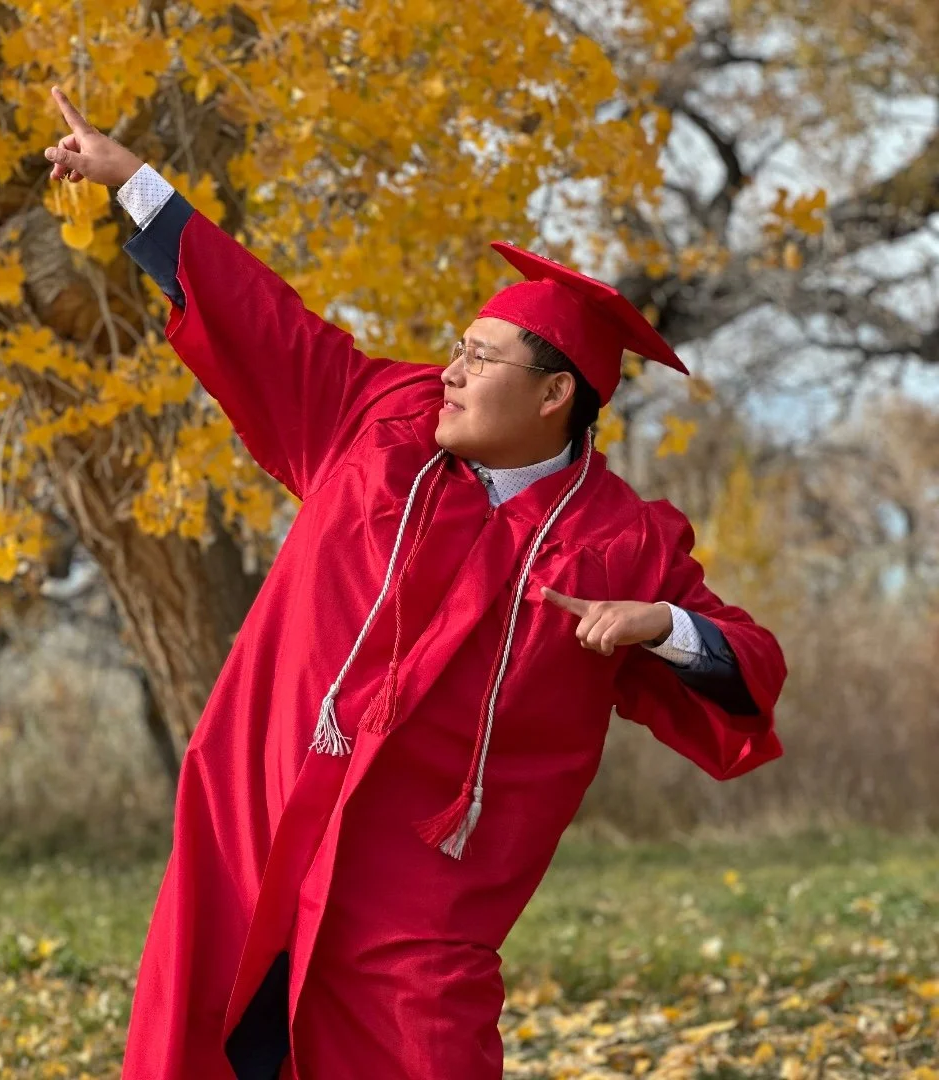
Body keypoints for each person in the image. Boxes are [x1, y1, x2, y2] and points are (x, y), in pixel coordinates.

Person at [45, 86, 786, 1080]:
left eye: (480, 359)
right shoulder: (377, 423)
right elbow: (264, 321)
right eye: (457, 349)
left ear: (556, 393)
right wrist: (133, 183)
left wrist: (661, 626)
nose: (450, 370)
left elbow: (754, 665)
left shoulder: (617, 544)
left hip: (415, 910)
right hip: (257, 824)